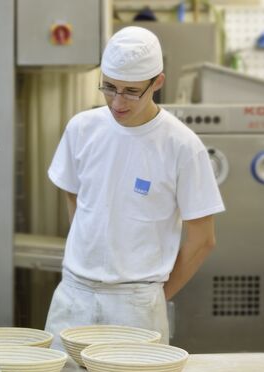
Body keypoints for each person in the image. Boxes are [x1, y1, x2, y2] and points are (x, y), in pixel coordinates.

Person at [45, 26, 225, 349]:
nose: (117, 102)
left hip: (137, 303)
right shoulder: (82, 129)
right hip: (73, 295)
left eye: (130, 91)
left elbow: (203, 239)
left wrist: (151, 297)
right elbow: (74, 195)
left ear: (157, 82)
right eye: (109, 87)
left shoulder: (182, 146)